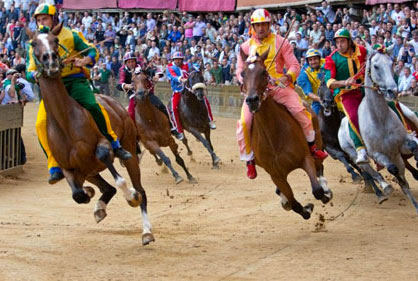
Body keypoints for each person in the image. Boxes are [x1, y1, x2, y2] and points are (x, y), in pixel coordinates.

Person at [26, 3, 132, 184]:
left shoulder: (70, 35)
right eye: (38, 20)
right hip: (53, 90)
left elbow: (93, 50)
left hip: (75, 82)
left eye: (44, 18)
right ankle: (54, 164)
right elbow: (30, 70)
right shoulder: (35, 43)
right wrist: (34, 75)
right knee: (40, 123)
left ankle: (114, 143)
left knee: (92, 105)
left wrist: (84, 60)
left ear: (54, 18)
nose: (41, 22)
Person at [236, 9, 328, 180]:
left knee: (301, 111)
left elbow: (294, 65)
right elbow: (240, 70)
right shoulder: (245, 47)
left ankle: (312, 147)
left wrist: (288, 75)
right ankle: (249, 159)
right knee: (244, 122)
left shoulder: (281, 42)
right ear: (253, 27)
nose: (261, 28)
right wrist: (243, 83)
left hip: (279, 87)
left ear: (269, 25)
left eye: (264, 24)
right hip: (256, 90)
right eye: (258, 25)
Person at [324, 29, 370, 164]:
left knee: (390, 103)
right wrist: (344, 82)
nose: (339, 45)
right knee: (353, 116)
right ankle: (360, 149)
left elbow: (373, 56)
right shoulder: (332, 58)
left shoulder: (361, 50)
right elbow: (329, 82)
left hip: (365, 89)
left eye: (342, 41)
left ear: (349, 42)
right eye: (337, 42)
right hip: (347, 94)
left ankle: (409, 133)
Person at [116, 51, 179, 138]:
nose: (131, 63)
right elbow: (119, 84)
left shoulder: (141, 66)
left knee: (161, 106)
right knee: (130, 113)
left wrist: (156, 75)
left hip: (147, 92)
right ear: (126, 63)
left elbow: (152, 70)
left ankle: (172, 128)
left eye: (132, 61)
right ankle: (134, 136)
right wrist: (127, 85)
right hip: (134, 95)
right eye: (129, 62)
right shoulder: (123, 71)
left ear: (135, 61)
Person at [166, 51, 216, 141]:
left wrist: (198, 66)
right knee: (172, 109)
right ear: (173, 60)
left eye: (179, 59)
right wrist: (181, 79)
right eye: (176, 59)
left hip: (190, 89)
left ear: (182, 60)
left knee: (204, 99)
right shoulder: (170, 67)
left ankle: (210, 120)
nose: (178, 61)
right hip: (178, 91)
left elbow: (195, 69)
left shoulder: (187, 65)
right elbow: (173, 76)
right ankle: (179, 130)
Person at [297, 49, 325, 115]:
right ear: (307, 61)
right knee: (315, 119)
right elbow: (309, 93)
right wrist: (320, 99)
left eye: (315, 59)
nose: (313, 62)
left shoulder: (327, 63)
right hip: (317, 100)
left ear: (319, 59)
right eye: (310, 60)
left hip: (333, 96)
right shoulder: (303, 74)